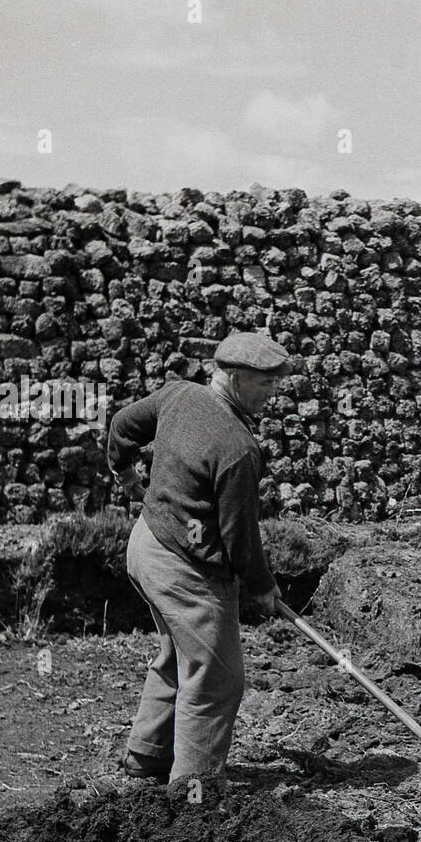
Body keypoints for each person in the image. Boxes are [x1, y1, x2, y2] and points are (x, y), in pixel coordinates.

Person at [106, 330, 295, 783]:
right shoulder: (238, 450)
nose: (273, 393)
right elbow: (239, 538)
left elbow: (121, 427)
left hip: (146, 546)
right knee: (216, 678)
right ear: (231, 375)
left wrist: (126, 474)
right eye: (264, 382)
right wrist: (262, 587)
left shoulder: (178, 395)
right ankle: (195, 796)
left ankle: (147, 757)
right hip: (184, 571)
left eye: (276, 382)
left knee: (178, 652)